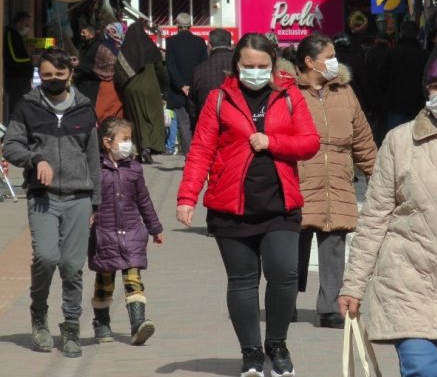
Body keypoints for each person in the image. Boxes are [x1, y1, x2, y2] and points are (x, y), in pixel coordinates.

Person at [339, 52, 437, 377]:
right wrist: (353, 285)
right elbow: (374, 218)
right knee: (422, 371)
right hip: (409, 285)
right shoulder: (400, 142)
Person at [176, 33, 319, 377]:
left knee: (284, 273)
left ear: (273, 64)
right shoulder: (219, 99)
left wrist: (273, 141)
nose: (255, 72)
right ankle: (251, 353)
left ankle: (277, 343)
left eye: (262, 66)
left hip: (280, 203)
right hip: (231, 206)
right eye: (249, 66)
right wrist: (186, 196)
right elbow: (201, 151)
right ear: (237, 65)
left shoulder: (289, 95)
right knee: (242, 281)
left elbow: (310, 142)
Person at [2, 47, 101, 358]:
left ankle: (71, 327)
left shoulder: (85, 108)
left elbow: (93, 158)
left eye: (59, 75)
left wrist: (95, 202)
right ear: (39, 76)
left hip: (79, 197)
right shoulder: (28, 106)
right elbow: (11, 146)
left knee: (72, 266)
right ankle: (39, 314)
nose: (53, 80)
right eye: (47, 75)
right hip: (42, 197)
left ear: (70, 74)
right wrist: (35, 159)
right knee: (46, 257)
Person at [288, 33, 377, 329]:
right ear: (309, 62)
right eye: (329, 57)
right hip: (300, 177)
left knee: (334, 244)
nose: (334, 62)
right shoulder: (288, 93)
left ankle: (328, 307)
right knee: (293, 246)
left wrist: (376, 174)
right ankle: (285, 301)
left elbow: (363, 138)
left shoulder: (344, 92)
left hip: (337, 178)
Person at [89, 117, 164, 345]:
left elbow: (144, 201)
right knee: (105, 281)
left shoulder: (134, 168)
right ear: (107, 142)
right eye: (124, 139)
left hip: (132, 233)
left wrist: (154, 228)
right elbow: (87, 200)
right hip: (104, 235)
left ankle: (138, 324)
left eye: (130, 139)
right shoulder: (95, 169)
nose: (128, 144)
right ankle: (102, 323)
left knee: (133, 279)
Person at [114, 22, 168, 164]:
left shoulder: (125, 50)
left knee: (136, 119)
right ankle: (148, 147)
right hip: (150, 88)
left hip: (131, 89)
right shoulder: (150, 48)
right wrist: (163, 88)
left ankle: (139, 148)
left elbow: (118, 73)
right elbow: (161, 71)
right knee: (152, 118)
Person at [165, 13, 208, 155]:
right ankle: (198, 153)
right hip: (196, 88)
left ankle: (189, 155)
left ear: (177, 25)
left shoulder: (171, 41)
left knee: (183, 123)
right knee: (197, 121)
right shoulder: (200, 42)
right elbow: (203, 65)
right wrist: (193, 84)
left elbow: (170, 66)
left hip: (178, 90)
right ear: (191, 25)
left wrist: (181, 86)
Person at [380, 21, 430, 142]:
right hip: (417, 101)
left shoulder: (391, 53)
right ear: (417, 34)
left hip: (395, 102)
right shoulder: (423, 54)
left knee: (396, 139)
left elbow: (382, 77)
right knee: (417, 139)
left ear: (401, 33)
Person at [189, 28, 232, 129]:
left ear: (210, 45)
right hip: (237, 126)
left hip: (208, 124)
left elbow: (192, 104)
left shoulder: (200, 69)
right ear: (230, 44)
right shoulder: (241, 64)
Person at [3, 12, 34, 122]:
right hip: (16, 79)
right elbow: (14, 57)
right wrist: (31, 60)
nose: (28, 27)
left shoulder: (19, 36)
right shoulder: (10, 35)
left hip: (22, 79)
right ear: (19, 22)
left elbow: (33, 44)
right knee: (17, 107)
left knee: (23, 106)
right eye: (26, 24)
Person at [94, 22, 125, 121]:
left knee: (103, 113)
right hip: (116, 85)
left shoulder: (102, 46)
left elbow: (96, 65)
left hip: (103, 84)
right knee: (116, 114)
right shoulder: (121, 48)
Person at [74, 24, 103, 106]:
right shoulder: (85, 45)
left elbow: (96, 67)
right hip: (82, 83)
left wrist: (79, 65)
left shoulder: (97, 47)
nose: (81, 35)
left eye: (84, 33)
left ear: (91, 34)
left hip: (91, 85)